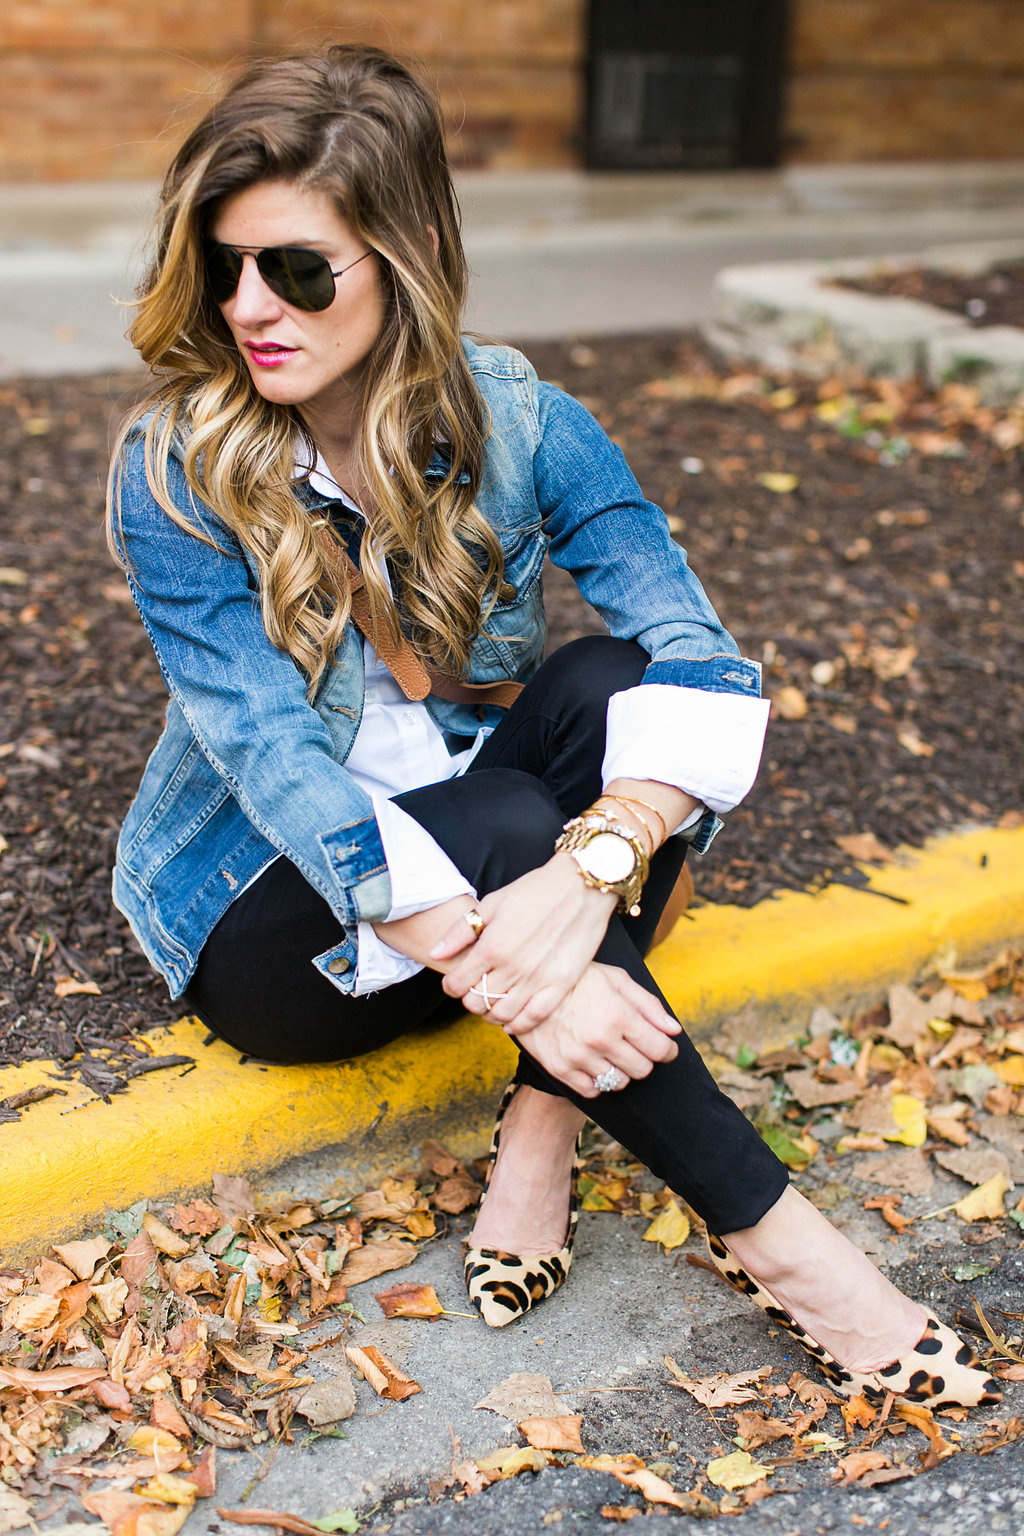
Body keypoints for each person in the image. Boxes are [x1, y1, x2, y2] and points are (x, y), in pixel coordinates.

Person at [106, 44, 999, 1410]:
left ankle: (541, 1123)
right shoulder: (175, 472)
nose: (247, 309)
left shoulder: (524, 422)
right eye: (223, 267)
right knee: (521, 817)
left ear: (399, 260)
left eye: (293, 270)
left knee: (621, 689)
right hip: (277, 910)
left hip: (504, 871)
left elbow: (703, 662)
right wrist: (541, 965)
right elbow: (270, 756)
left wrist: (598, 861)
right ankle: (803, 1259)